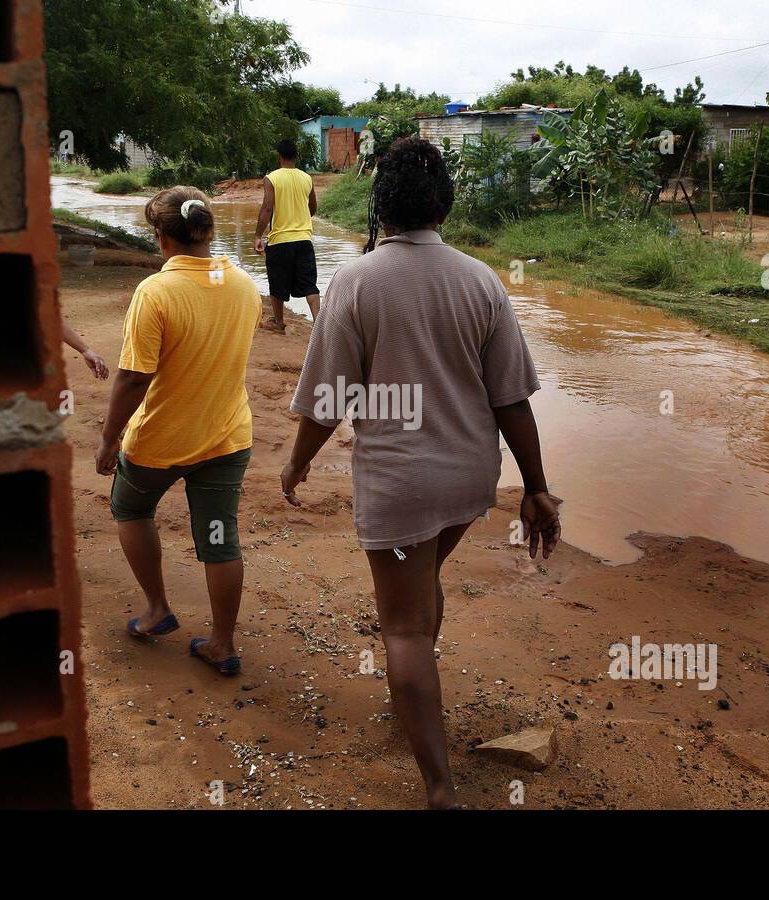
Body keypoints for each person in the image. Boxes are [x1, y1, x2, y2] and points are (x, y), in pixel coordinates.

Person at [281, 137, 560, 809]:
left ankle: (439, 788)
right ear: (445, 204)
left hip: (401, 481)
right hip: (469, 478)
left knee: (401, 628)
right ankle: (416, 690)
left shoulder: (356, 282)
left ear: (380, 205)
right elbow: (510, 399)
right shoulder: (481, 281)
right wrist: (537, 487)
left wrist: (295, 463)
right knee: (423, 578)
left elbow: (329, 401)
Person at [96, 186, 262, 676]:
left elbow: (132, 377)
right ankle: (223, 643)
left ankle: (156, 609)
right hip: (227, 437)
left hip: (161, 443)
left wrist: (108, 440)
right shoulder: (244, 285)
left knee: (131, 508)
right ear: (208, 230)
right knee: (218, 537)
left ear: (161, 237)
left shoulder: (157, 292)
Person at [254, 138, 319, 332]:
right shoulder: (307, 178)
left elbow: (267, 208)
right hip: (304, 240)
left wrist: (258, 235)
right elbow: (313, 207)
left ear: (279, 157)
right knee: (309, 285)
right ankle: (319, 324)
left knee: (277, 282)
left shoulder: (272, 178)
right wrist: (301, 218)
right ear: (296, 157)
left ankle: (278, 321)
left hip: (280, 240)